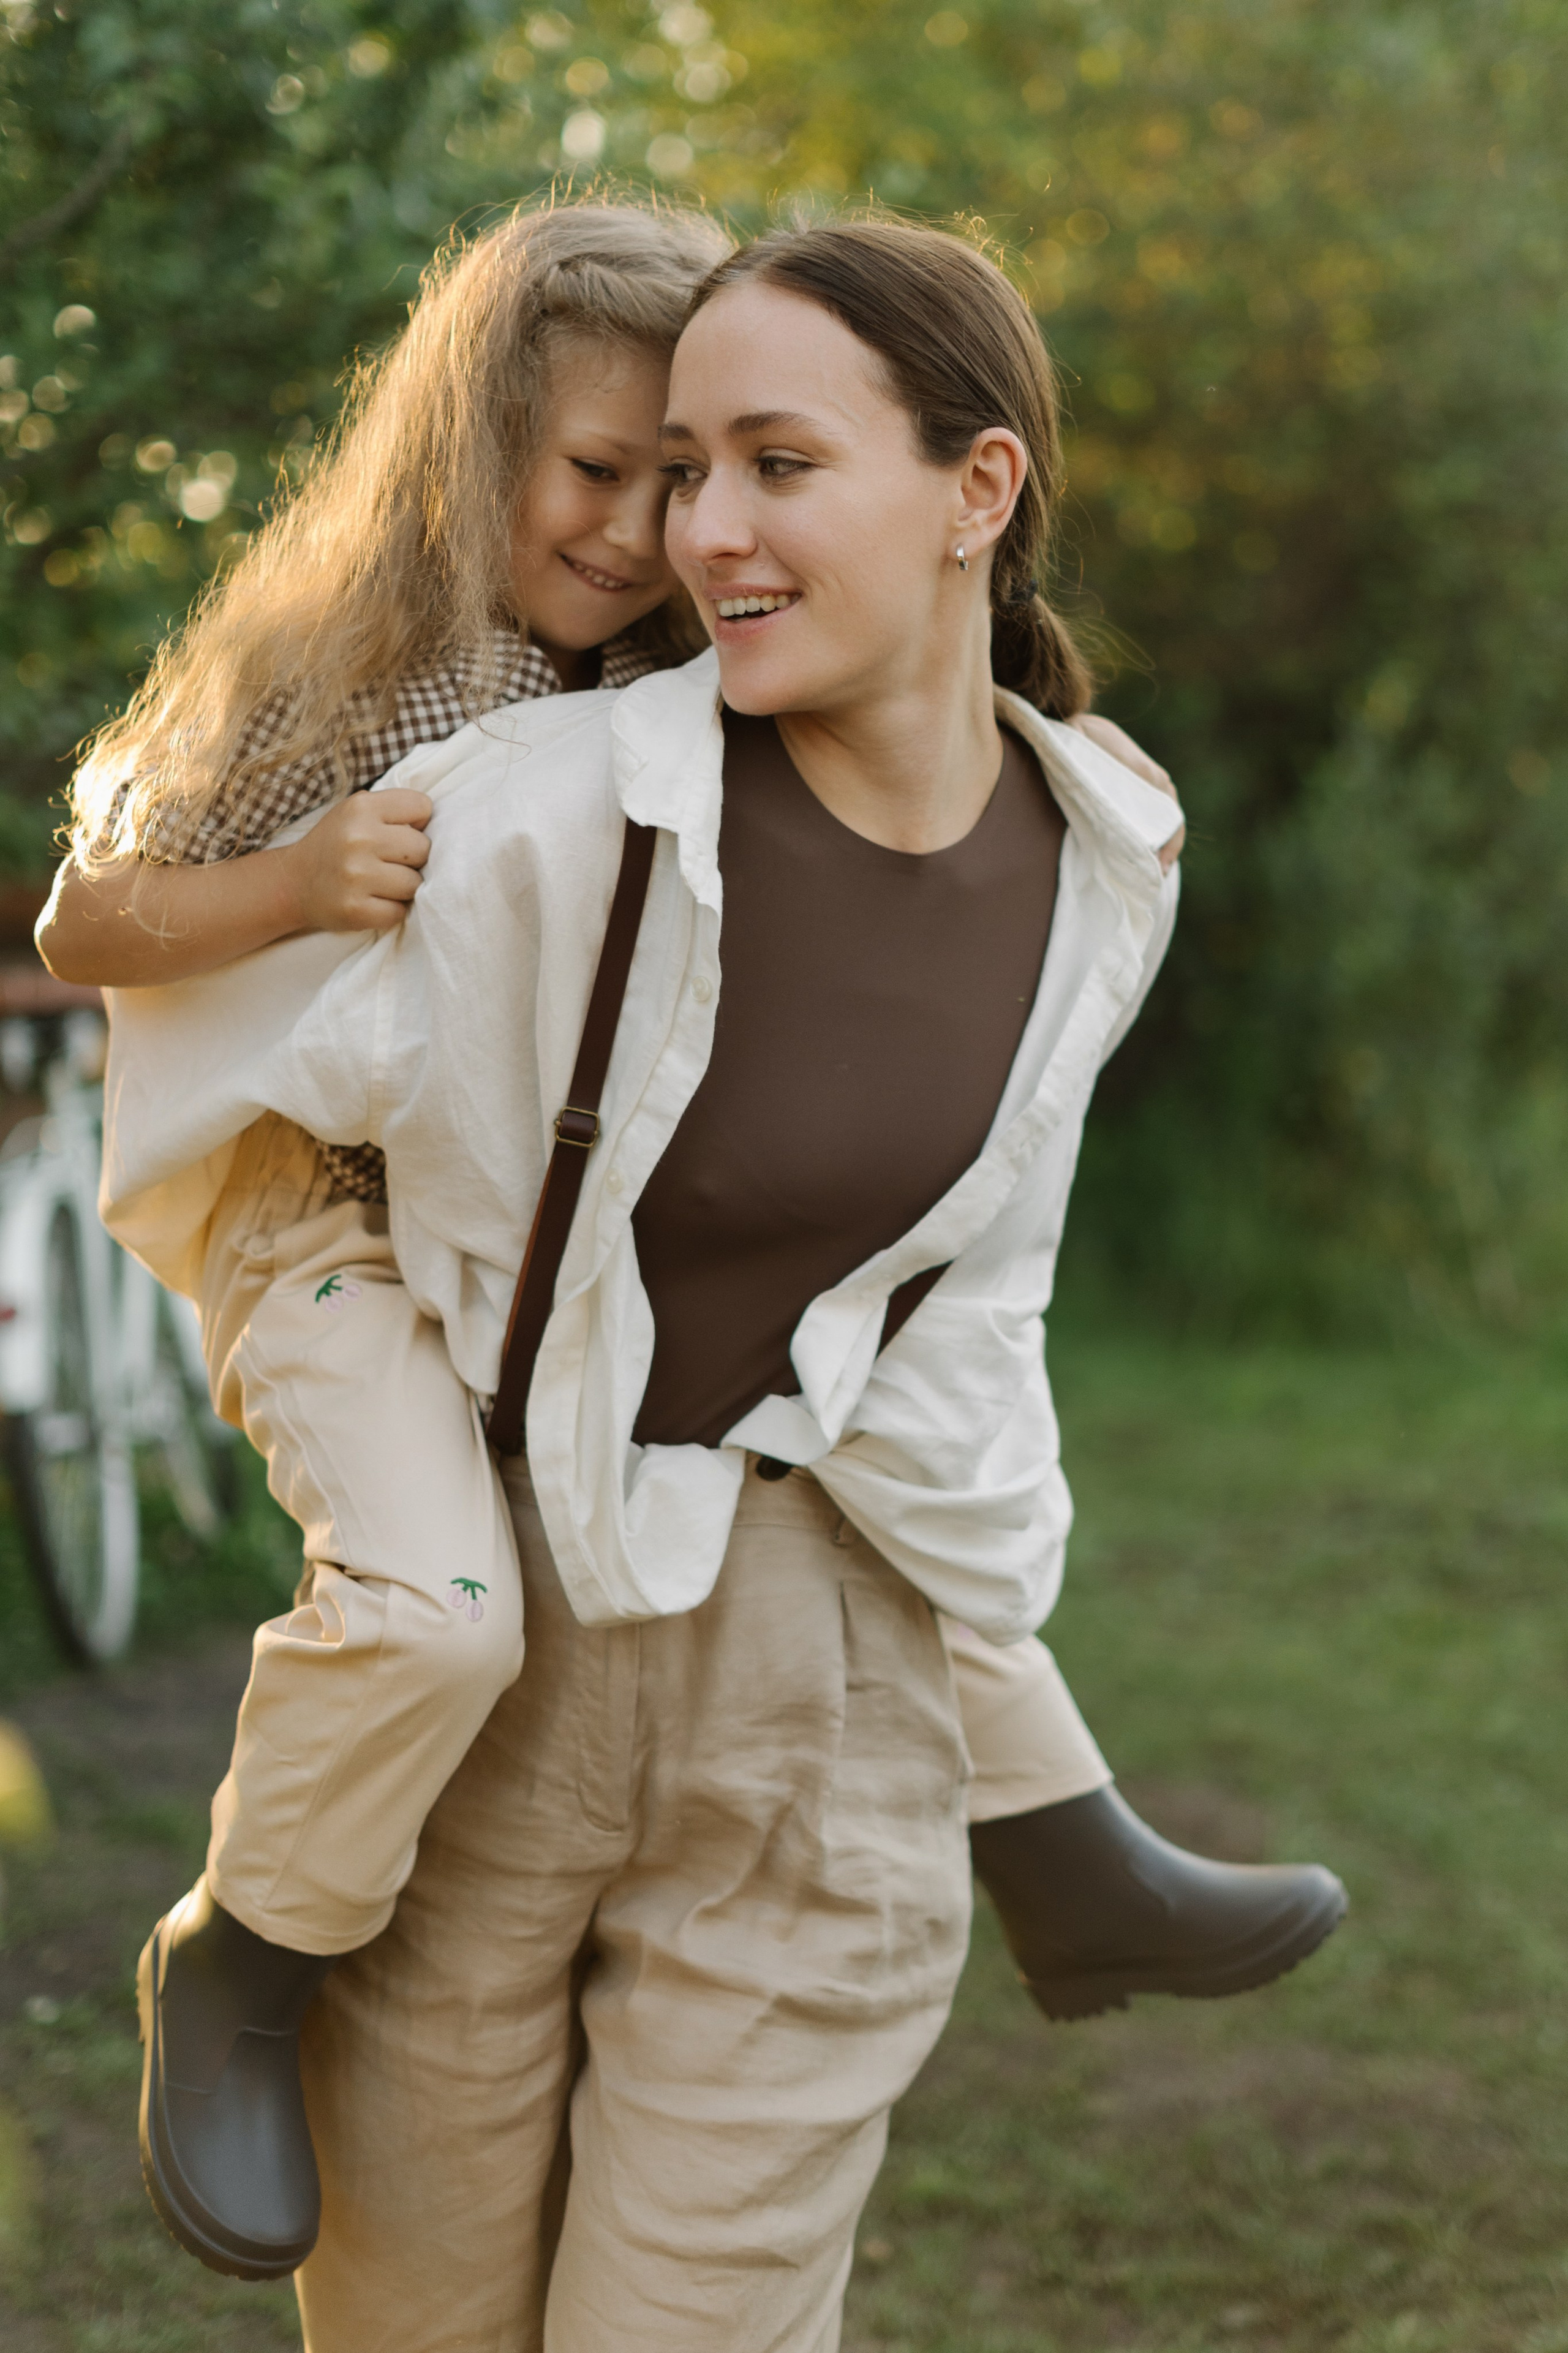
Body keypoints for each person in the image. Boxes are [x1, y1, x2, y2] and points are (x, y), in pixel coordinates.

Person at [51, 204, 1342, 2308]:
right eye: (652, 468)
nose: (683, 529)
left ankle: (1064, 1837)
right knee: (440, 1647)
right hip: (419, 1391)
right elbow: (126, 949)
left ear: (978, 491)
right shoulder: (485, 763)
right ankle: (246, 1951)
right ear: (476, 456)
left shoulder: (1084, 836)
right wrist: (289, 911)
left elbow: (951, 1282)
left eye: (753, 464)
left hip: (804, 1675)